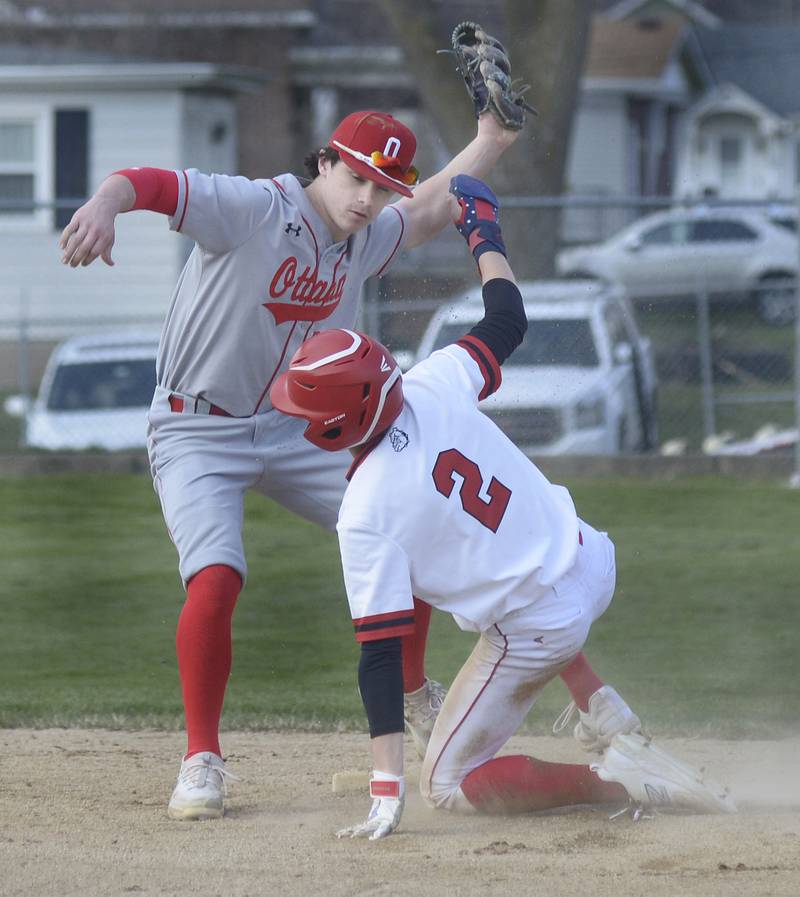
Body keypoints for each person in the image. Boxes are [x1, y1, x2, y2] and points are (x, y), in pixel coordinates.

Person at [58, 104, 522, 820]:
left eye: (381, 187)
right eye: (358, 178)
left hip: (293, 428)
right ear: (326, 161)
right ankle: (202, 760)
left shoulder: (361, 239)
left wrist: (488, 143)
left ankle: (411, 690)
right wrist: (104, 203)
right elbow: (148, 182)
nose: (368, 199)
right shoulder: (252, 208)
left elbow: (430, 208)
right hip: (196, 427)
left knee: (413, 517)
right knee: (215, 578)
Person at [269, 175, 737, 840]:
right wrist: (481, 230)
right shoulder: (427, 382)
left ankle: (621, 780)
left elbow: (375, 653)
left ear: (340, 425)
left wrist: (387, 789)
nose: (301, 419)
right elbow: (506, 321)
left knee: (449, 785)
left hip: (541, 626)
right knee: (463, 573)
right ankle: (602, 707)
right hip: (590, 556)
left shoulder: (365, 508)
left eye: (309, 412)